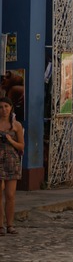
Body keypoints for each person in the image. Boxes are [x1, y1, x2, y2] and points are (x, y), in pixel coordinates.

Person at [0, 96, 24, 235]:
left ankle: (10, 224)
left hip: (11, 161)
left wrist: (10, 140)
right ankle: (0, 226)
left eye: (6, 107)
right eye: (1, 107)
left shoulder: (16, 125)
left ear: (11, 108)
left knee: (10, 194)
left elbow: (21, 146)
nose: (4, 110)